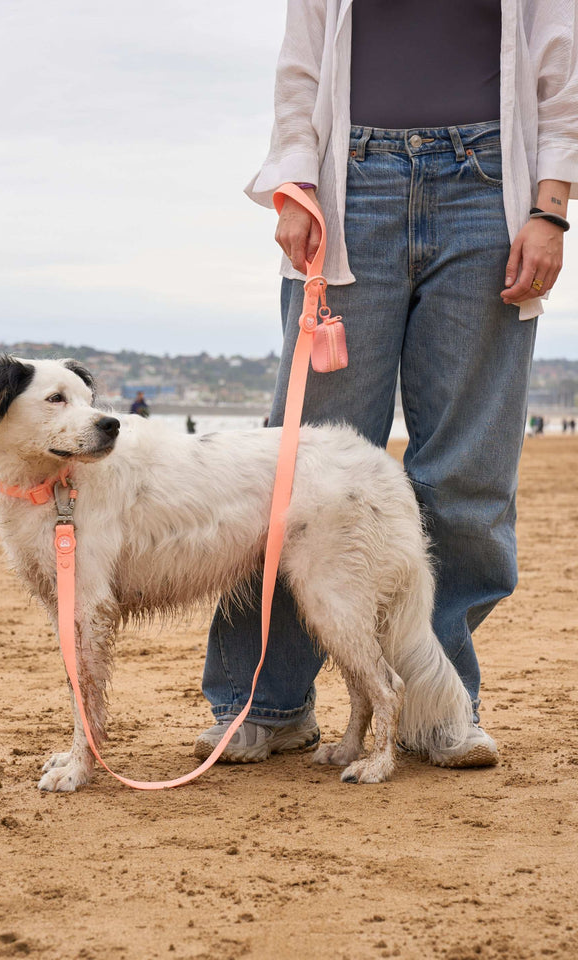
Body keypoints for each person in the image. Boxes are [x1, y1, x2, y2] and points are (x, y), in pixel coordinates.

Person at [194, 0, 577, 769]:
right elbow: (301, 68)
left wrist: (551, 207)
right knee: (296, 476)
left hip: (489, 189)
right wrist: (293, 183)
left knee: (466, 479)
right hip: (350, 186)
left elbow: (560, 65)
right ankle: (266, 703)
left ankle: (433, 709)